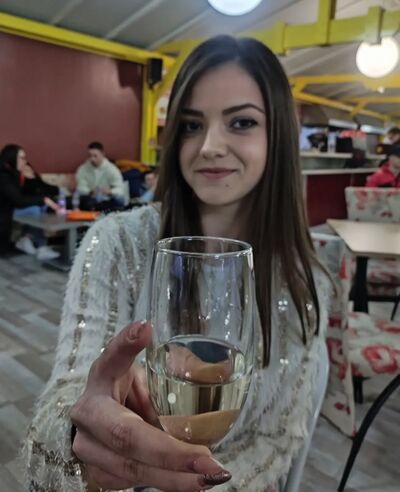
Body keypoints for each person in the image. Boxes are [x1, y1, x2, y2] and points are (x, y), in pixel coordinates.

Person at [22, 36, 331, 492]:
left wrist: (196, 484)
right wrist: (76, 439)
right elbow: (59, 414)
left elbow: (276, 440)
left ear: (279, 136)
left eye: (241, 122)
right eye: (190, 125)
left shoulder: (302, 280)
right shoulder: (117, 243)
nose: (209, 146)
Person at [0, 144, 60, 258]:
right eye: (22, 158)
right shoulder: (4, 176)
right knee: (34, 210)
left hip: (10, 208)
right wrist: (43, 199)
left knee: (40, 206)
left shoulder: (13, 172)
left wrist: (43, 199)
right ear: (12, 158)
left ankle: (26, 238)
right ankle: (41, 247)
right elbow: (18, 200)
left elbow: (24, 195)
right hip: (5, 212)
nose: (25, 161)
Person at [76, 142, 125, 210]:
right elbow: (80, 188)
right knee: (81, 199)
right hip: (90, 199)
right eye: (90, 156)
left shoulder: (111, 169)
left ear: (102, 155)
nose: (92, 159)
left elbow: (120, 189)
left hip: (107, 199)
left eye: (95, 156)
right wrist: (90, 191)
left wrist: (109, 192)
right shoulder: (83, 169)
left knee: (119, 199)